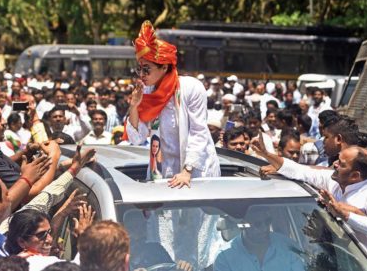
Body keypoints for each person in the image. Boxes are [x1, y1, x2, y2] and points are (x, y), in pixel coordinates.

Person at [126, 20, 220, 188]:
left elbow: (199, 133)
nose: (141, 75)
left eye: (146, 69)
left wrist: (187, 171)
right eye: (139, 69)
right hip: (163, 171)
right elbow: (137, 139)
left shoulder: (191, 88)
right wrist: (133, 106)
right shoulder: (146, 92)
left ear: (164, 67)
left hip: (196, 171)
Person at [251, 133, 367, 254]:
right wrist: (266, 154)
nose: (335, 164)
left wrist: (345, 214)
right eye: (338, 159)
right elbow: (300, 171)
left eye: (341, 164)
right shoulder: (331, 180)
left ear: (355, 176)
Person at [214, 206, 304, 271]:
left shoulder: (289, 247)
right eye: (257, 224)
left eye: (267, 222)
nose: (265, 228)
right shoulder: (224, 257)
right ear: (243, 225)